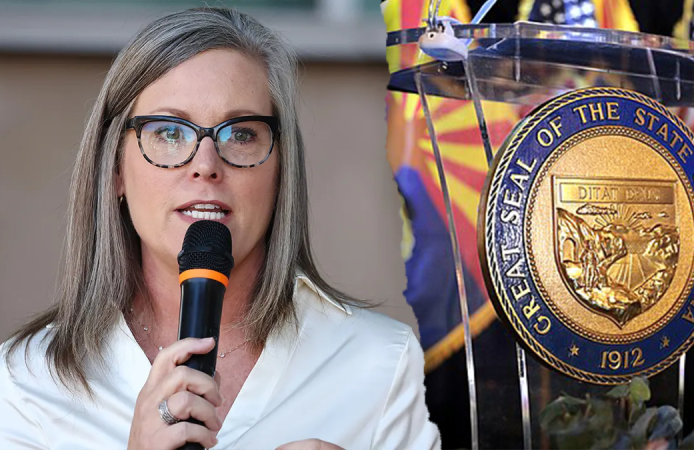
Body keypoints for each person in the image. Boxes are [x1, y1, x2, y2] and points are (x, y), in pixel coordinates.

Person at [0, 7, 440, 449]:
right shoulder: (26, 382)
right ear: (115, 168)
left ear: (281, 170)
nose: (206, 165)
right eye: (170, 133)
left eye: (241, 134)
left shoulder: (380, 363)